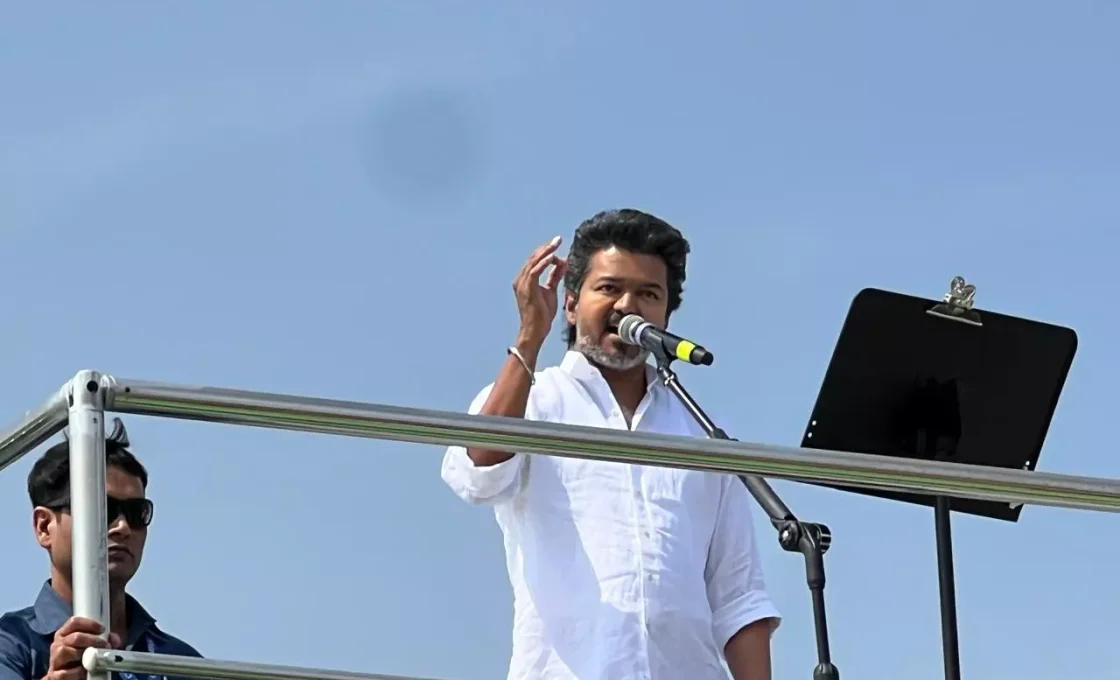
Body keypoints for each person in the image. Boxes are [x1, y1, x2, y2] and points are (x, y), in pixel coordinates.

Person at [441, 209, 781, 680]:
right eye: (609, 288)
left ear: (666, 314)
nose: (627, 306)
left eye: (649, 294)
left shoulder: (703, 429)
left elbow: (738, 597)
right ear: (571, 304)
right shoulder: (535, 399)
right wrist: (529, 338)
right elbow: (477, 475)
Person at [0, 418, 203, 680]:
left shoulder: (180, 662)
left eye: (137, 513)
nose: (123, 527)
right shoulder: (11, 643)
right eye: (101, 509)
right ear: (44, 526)